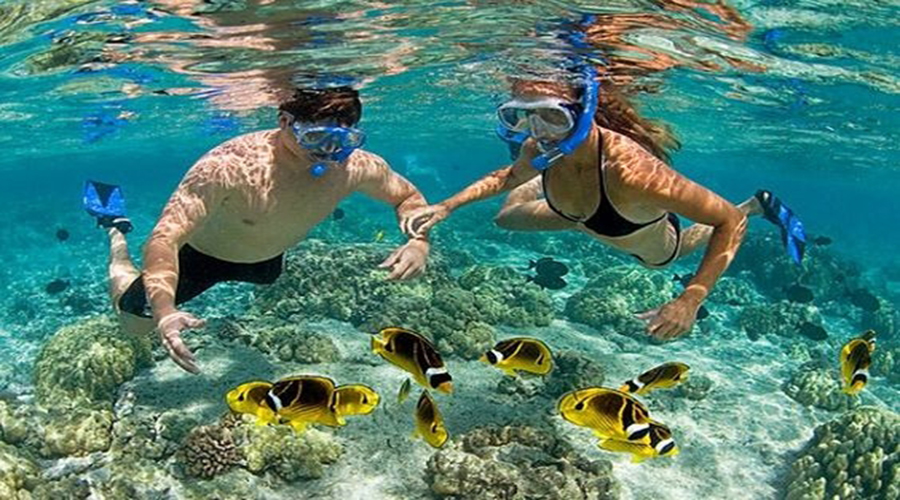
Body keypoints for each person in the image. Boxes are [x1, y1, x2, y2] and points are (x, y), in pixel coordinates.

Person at [405, 66, 805, 341]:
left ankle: (759, 203)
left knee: (670, 255)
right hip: (575, 214)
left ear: (583, 113)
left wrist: (691, 297)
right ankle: (557, 191)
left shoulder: (632, 173)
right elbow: (507, 177)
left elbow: (727, 221)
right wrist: (448, 206)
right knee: (507, 217)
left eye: (553, 117)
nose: (539, 132)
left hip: (630, 227)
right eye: (522, 117)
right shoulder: (535, 145)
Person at [85, 86, 431, 373]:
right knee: (134, 326)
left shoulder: (356, 166)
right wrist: (164, 312)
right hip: (201, 257)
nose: (328, 152)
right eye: (316, 137)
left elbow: (407, 196)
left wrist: (418, 241)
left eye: (343, 140)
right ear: (285, 121)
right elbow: (165, 238)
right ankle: (114, 230)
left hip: (266, 261)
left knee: (263, 270)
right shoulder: (229, 165)